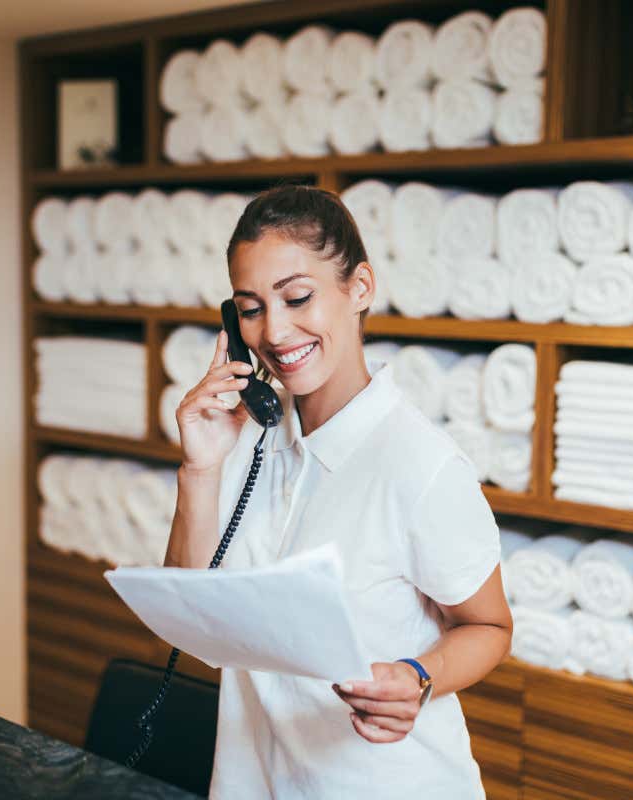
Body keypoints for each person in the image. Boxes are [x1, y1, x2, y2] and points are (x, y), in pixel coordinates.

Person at [165, 185, 512, 799]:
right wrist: (199, 467)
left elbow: (489, 626)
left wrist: (418, 677)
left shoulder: (419, 465)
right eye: (250, 308)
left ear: (359, 289)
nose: (274, 330)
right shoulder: (246, 438)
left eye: (298, 297)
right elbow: (193, 627)